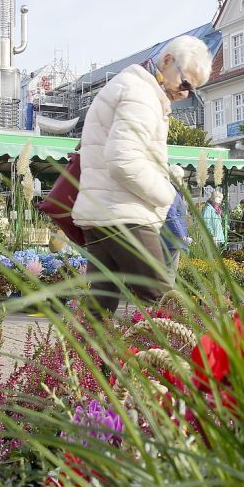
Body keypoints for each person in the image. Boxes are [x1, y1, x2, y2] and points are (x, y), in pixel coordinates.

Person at [72, 35, 211, 316]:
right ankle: (188, 361)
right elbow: (123, 160)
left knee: (99, 311)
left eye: (192, 90)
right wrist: (167, 194)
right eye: (185, 83)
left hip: (104, 213)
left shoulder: (132, 86)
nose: (185, 94)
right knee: (165, 308)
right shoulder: (141, 94)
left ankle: (89, 361)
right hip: (125, 215)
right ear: (167, 61)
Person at [161, 164, 190, 286]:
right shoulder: (172, 192)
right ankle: (165, 301)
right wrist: (182, 235)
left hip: (169, 239)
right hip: (172, 240)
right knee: (170, 272)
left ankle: (162, 300)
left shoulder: (169, 190)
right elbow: (171, 215)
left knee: (168, 271)